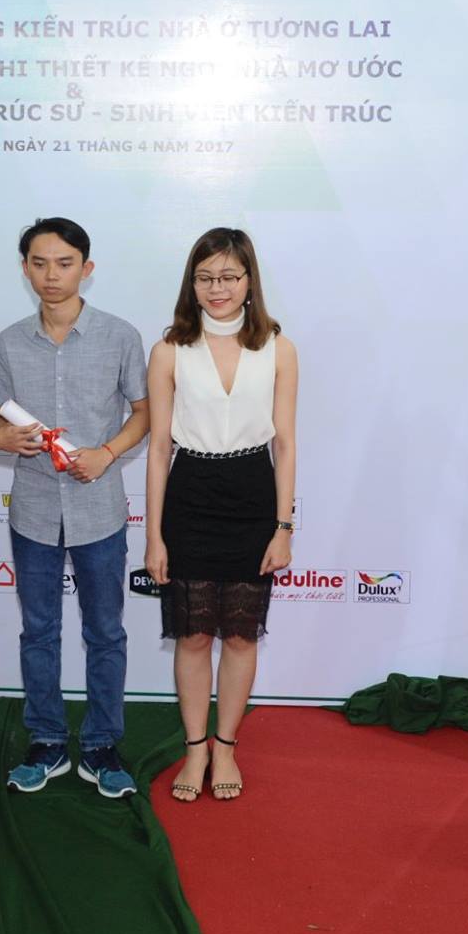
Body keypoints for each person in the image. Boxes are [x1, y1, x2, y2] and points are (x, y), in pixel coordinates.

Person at [0, 218, 149, 798]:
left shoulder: (120, 336)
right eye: (39, 263)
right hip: (33, 509)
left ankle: (102, 744)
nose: (50, 275)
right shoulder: (9, 341)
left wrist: (107, 453)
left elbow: (144, 413)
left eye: (63, 263)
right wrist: (0, 437)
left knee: (105, 632)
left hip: (98, 508)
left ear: (87, 268)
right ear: (24, 268)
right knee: (39, 631)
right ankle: (48, 740)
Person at [143, 227, 298, 804]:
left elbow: (286, 444)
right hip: (190, 494)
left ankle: (226, 745)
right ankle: (194, 748)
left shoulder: (279, 348)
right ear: (192, 283)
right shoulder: (169, 350)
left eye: (229, 276)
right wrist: (154, 536)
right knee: (192, 637)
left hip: (253, 494)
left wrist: (283, 527)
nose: (217, 288)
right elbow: (159, 449)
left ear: (250, 281)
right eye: (205, 277)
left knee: (238, 636)